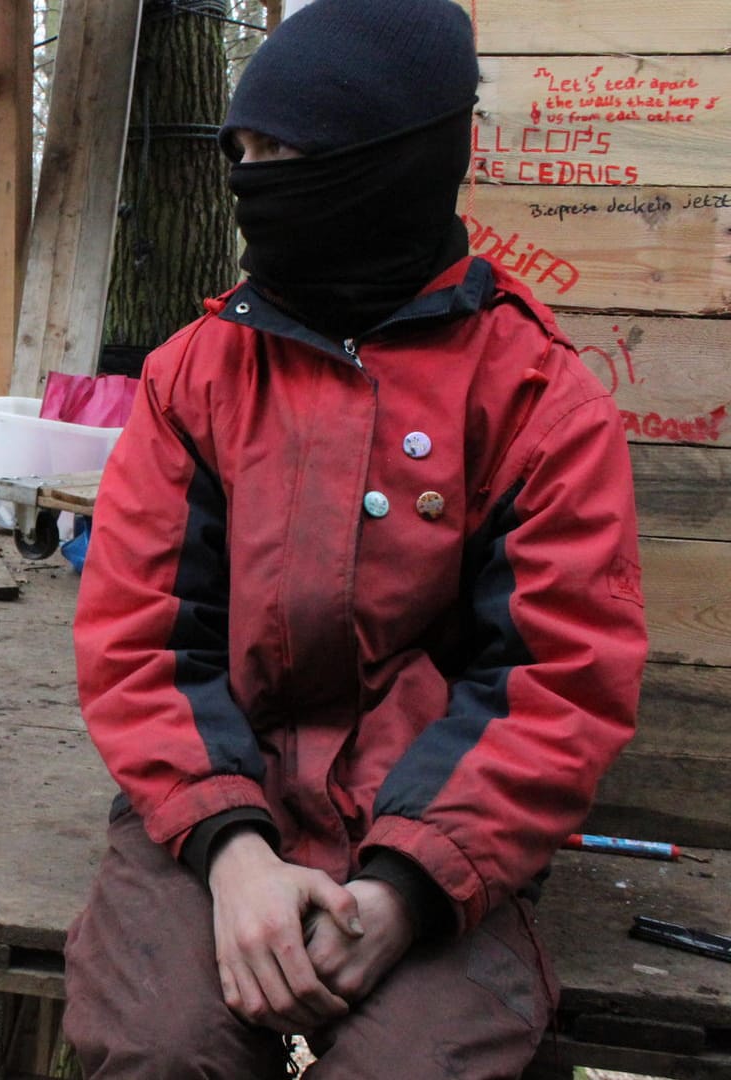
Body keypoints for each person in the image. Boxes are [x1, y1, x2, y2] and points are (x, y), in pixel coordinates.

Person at [61, 0, 646, 1074]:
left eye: (288, 154)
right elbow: (141, 636)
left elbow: (556, 682)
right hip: (210, 813)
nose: (256, 182)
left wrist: (406, 890)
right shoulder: (198, 374)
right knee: (160, 1049)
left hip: (445, 835)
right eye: (242, 154)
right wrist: (232, 854)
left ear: (397, 160)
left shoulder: (536, 400)